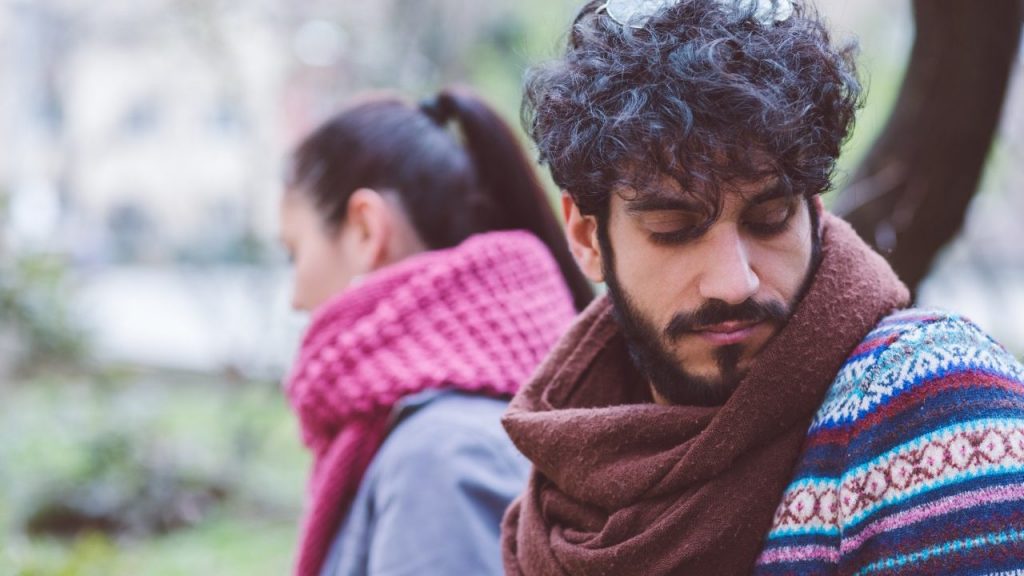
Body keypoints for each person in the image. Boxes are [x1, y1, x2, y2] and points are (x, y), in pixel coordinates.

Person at [500, 1, 1024, 574]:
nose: (734, 282)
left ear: (810, 209)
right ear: (587, 238)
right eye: (674, 230)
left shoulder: (929, 400)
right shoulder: (560, 494)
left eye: (769, 218)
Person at [278, 87, 594, 576]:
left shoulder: (439, 456)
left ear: (366, 230)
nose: (295, 296)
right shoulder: (481, 423)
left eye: (294, 252)